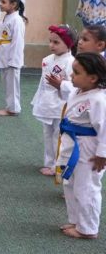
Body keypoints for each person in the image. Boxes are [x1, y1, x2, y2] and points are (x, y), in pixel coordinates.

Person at [56, 52, 106, 239]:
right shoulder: (79, 91)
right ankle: (76, 220)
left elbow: (105, 129)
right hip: (73, 143)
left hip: (89, 150)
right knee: (70, 184)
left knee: (87, 188)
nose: (71, 75)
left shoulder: (99, 99)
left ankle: (88, 228)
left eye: (76, 73)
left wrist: (102, 154)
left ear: (92, 78)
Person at [32, 25, 76, 176]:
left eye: (56, 42)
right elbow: (42, 84)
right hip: (46, 104)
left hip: (61, 106)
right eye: (50, 41)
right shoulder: (47, 60)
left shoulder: (71, 62)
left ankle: (58, 165)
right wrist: (37, 100)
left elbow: (75, 86)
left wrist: (61, 84)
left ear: (68, 43)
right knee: (47, 135)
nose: (51, 45)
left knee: (59, 137)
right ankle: (49, 163)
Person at [0, 0, 27, 117]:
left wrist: (14, 61)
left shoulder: (17, 20)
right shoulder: (7, 17)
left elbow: (18, 42)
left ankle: (13, 109)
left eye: (3, 2)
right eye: (0, 1)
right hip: (5, 55)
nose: (0, 4)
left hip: (12, 58)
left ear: (13, 4)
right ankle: (10, 106)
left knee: (12, 85)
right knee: (7, 83)